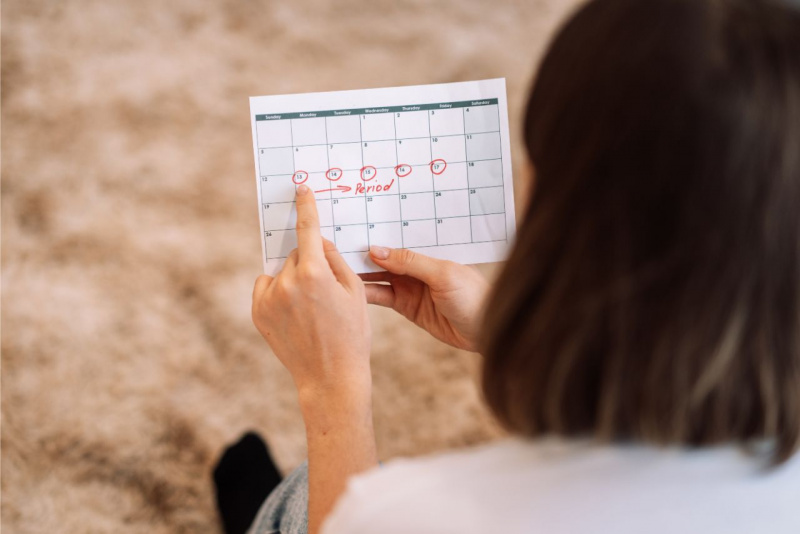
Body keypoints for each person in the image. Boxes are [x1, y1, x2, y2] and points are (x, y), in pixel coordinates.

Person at [213, 0, 800, 532]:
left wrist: (331, 390)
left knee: (302, 497)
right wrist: (508, 329)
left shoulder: (430, 514)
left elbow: (360, 519)